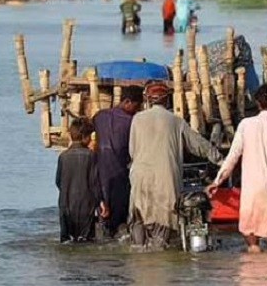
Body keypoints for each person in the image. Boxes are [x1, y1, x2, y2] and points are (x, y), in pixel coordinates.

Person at [128, 81, 223, 250]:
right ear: (167, 101)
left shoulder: (137, 119)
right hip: (166, 179)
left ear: (148, 100)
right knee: (162, 229)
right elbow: (199, 145)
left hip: (139, 177)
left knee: (139, 224)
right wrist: (221, 160)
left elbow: (132, 151)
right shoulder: (176, 121)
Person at [207, 84, 267, 252]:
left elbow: (232, 157)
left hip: (253, 189)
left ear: (257, 102)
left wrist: (217, 181)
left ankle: (253, 272)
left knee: (252, 243)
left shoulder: (246, 125)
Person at [92, 86, 144, 238]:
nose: (137, 109)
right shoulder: (132, 122)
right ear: (127, 102)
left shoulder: (100, 116)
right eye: (136, 106)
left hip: (100, 176)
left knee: (104, 216)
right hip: (120, 176)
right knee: (120, 220)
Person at [55, 118, 108, 243]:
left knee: (67, 241)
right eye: (90, 136)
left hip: (65, 205)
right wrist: (101, 202)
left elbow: (58, 182)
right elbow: (94, 183)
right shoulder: (90, 156)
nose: (90, 139)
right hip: (86, 206)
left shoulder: (63, 157)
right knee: (86, 240)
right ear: (85, 136)